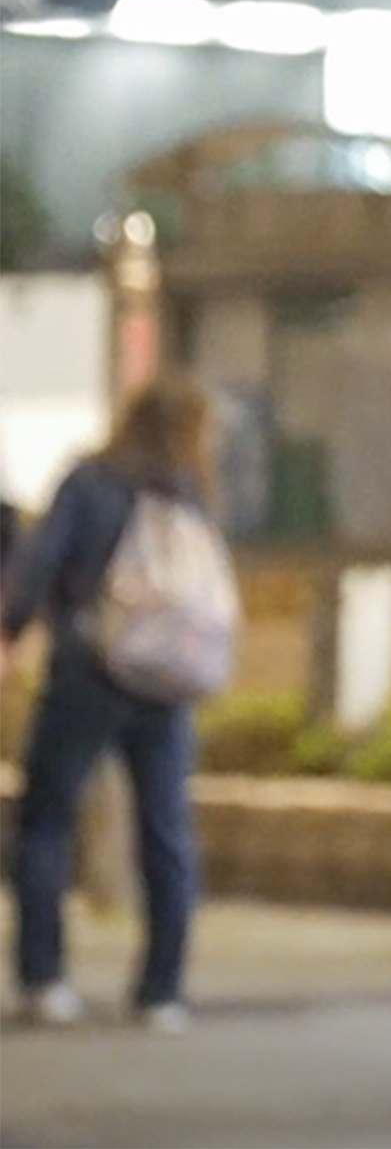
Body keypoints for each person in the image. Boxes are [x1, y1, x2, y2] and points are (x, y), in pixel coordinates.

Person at [4, 379, 221, 1031]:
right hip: (165, 680)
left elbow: (41, 563)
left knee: (47, 820)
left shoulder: (91, 480)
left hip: (88, 671)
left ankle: (45, 979)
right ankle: (163, 990)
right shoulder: (189, 491)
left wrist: (13, 628)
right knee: (166, 830)